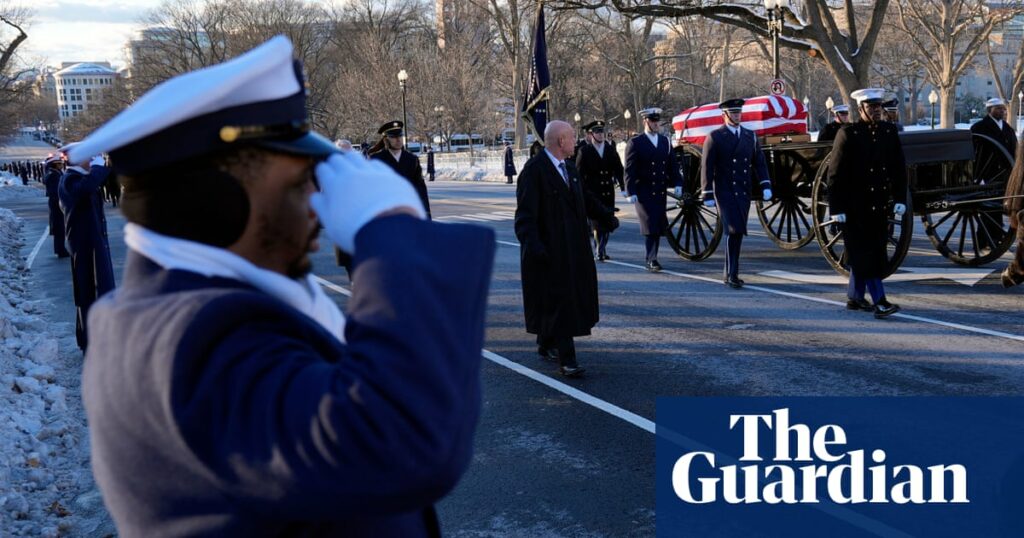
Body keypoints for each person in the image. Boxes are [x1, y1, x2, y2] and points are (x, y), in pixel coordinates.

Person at [75, 36, 495, 536]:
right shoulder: (183, 341)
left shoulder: (183, 308)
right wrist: (393, 227)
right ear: (221, 202)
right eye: (300, 186)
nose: (319, 205)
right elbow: (397, 437)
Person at [515, 120, 618, 378]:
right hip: (550, 252)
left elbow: (585, 198)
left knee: (565, 300)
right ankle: (568, 359)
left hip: (574, 249)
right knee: (562, 304)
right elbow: (525, 218)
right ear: (561, 142)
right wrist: (535, 249)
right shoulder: (534, 171)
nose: (576, 141)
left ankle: (545, 342)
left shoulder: (569, 168)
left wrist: (606, 216)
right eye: (573, 137)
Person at [826, 88, 907, 318]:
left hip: (879, 204)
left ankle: (855, 297)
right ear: (861, 109)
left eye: (879, 106)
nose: (877, 111)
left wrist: (900, 198)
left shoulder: (889, 131)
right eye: (872, 107)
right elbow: (835, 174)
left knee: (873, 252)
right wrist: (837, 208)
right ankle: (880, 301)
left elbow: (898, 168)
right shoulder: (848, 133)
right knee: (865, 254)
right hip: (855, 206)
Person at [700, 99, 772, 288]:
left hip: (743, 190)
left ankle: (730, 272)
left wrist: (765, 184)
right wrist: (706, 193)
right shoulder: (715, 137)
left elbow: (759, 162)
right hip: (724, 190)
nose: (737, 115)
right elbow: (706, 167)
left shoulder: (750, 136)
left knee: (738, 231)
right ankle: (732, 274)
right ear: (724, 115)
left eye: (739, 112)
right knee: (733, 230)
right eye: (733, 113)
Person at [58, 147, 116, 351]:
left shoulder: (79, 178)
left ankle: (95, 336)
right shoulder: (70, 179)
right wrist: (99, 168)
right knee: (89, 289)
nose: (93, 161)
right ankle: (92, 340)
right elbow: (86, 188)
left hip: (92, 241)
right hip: (84, 243)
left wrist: (104, 167)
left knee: (98, 287)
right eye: (89, 157)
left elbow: (99, 182)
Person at [623, 107, 684, 272]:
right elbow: (629, 169)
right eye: (652, 121)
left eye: (657, 121)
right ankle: (651, 259)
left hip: (660, 189)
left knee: (656, 224)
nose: (656, 124)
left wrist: (678, 182)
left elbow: (672, 165)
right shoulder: (636, 142)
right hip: (643, 190)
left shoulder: (665, 142)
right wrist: (630, 191)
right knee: (649, 224)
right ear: (645, 122)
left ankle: (653, 256)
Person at [575, 120, 624, 261]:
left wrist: (624, 187)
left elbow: (619, 169)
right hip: (592, 193)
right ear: (591, 135)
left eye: (601, 131)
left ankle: (602, 248)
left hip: (607, 190)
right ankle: (599, 249)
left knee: (607, 221)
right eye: (597, 132)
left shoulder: (609, 149)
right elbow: (578, 174)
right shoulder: (584, 151)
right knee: (596, 223)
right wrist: (581, 191)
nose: (600, 134)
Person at [369, 121, 431, 218]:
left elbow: (420, 189)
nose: (398, 140)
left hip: (408, 212)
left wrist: (426, 214)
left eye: (400, 136)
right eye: (393, 137)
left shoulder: (412, 159)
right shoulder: (376, 160)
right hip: (386, 213)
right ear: (386, 140)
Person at [43, 154, 70, 258]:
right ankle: (60, 250)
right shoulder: (54, 175)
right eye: (59, 164)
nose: (61, 165)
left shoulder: (54, 173)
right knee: (59, 227)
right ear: (54, 165)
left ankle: (59, 248)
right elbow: (56, 191)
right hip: (56, 203)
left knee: (60, 227)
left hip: (55, 202)